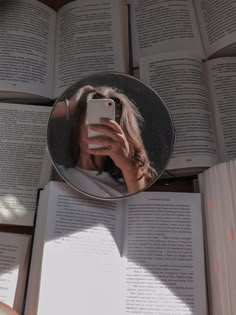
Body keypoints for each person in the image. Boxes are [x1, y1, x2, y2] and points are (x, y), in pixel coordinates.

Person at [57, 85, 157, 198]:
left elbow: (139, 204)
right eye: (93, 116)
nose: (100, 126)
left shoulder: (129, 186)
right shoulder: (58, 174)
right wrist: (69, 106)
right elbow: (36, 119)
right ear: (78, 123)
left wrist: (128, 164)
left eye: (110, 122)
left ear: (122, 133)